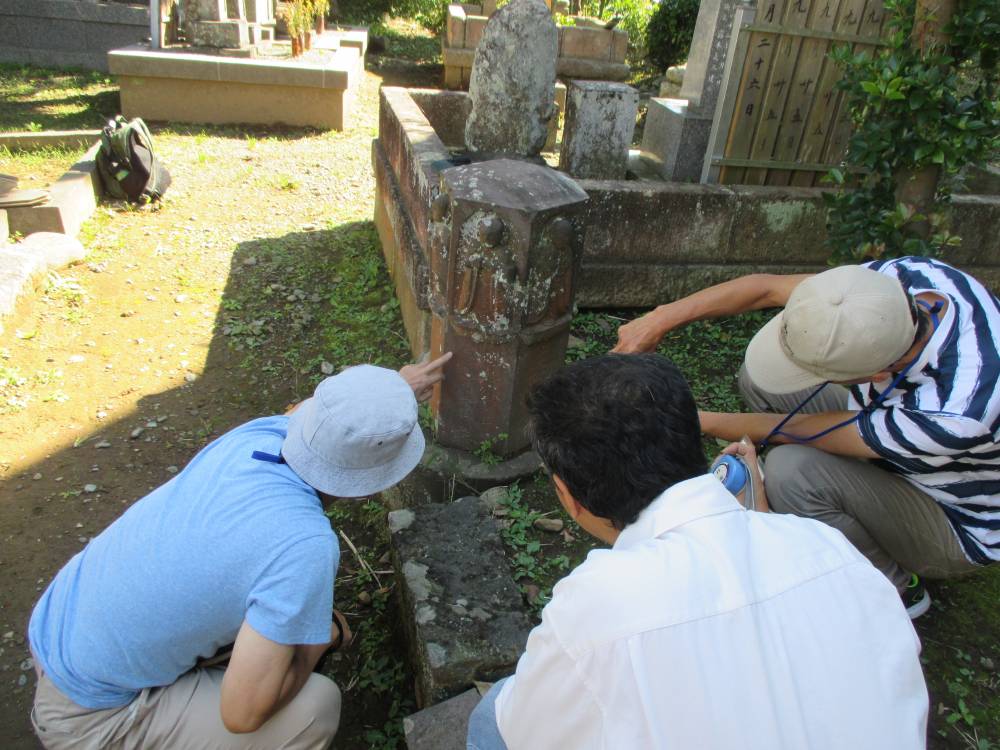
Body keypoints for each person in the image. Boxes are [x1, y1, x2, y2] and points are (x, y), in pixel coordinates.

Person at [466, 354, 928, 750]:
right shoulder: (829, 547)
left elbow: (527, 728)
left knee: (494, 715)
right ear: (689, 436)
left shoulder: (596, 604)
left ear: (568, 496)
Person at [27, 353, 451, 750]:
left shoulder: (258, 435)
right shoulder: (304, 545)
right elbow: (241, 715)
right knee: (316, 707)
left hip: (56, 625)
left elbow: (312, 414)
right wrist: (319, 641)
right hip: (90, 715)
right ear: (374, 478)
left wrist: (388, 390)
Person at [613, 257, 1000, 618]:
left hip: (955, 515)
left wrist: (680, 416)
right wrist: (658, 320)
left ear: (878, 374)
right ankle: (835, 510)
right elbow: (765, 288)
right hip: (895, 425)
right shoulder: (899, 284)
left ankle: (892, 587)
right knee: (763, 384)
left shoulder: (958, 412)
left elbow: (795, 430)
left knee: (792, 471)